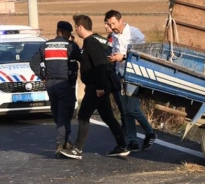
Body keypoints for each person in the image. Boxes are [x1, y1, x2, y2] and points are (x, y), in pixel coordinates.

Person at [60, 15, 129, 159]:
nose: (75, 31)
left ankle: (78, 149)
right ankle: (122, 145)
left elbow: (99, 65)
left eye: (76, 27)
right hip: (100, 85)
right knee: (108, 116)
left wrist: (99, 87)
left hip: (96, 86)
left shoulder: (91, 42)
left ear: (80, 27)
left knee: (83, 115)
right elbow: (89, 60)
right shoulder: (94, 40)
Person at [105, 9, 157, 152]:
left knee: (132, 109)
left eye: (114, 23)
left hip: (135, 76)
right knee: (125, 111)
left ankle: (150, 132)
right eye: (110, 24)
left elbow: (143, 54)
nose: (112, 26)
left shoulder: (134, 33)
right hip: (121, 75)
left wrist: (122, 57)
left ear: (121, 20)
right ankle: (132, 141)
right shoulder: (114, 36)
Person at [29, 21, 81, 156]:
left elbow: (33, 62)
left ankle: (66, 140)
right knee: (65, 114)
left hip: (50, 84)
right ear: (67, 33)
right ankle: (60, 145)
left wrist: (43, 76)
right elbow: (82, 57)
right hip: (64, 84)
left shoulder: (45, 45)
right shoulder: (70, 46)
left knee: (58, 113)